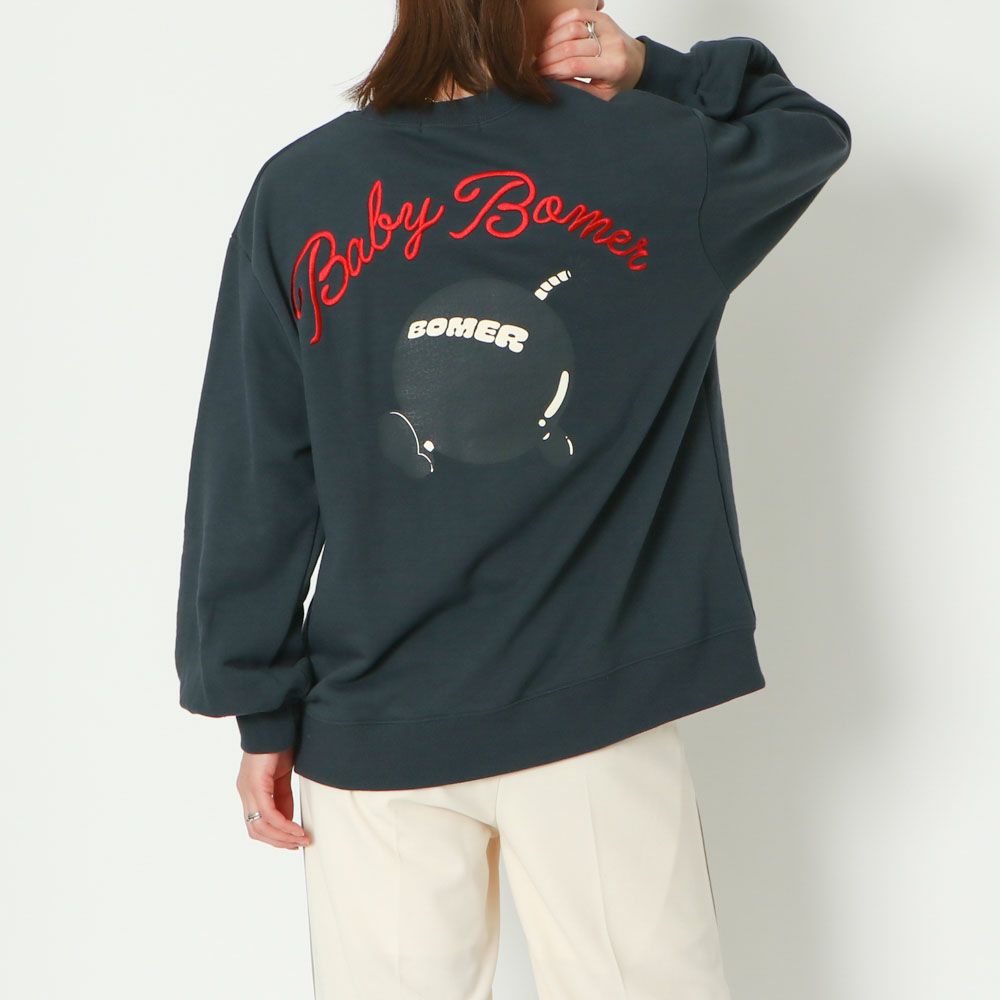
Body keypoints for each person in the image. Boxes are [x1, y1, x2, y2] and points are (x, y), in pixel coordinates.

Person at [174, 1, 851, 996]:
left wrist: (259, 707)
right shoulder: (658, 160)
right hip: (594, 714)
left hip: (374, 721)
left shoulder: (303, 187)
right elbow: (804, 130)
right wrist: (652, 70)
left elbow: (256, 466)